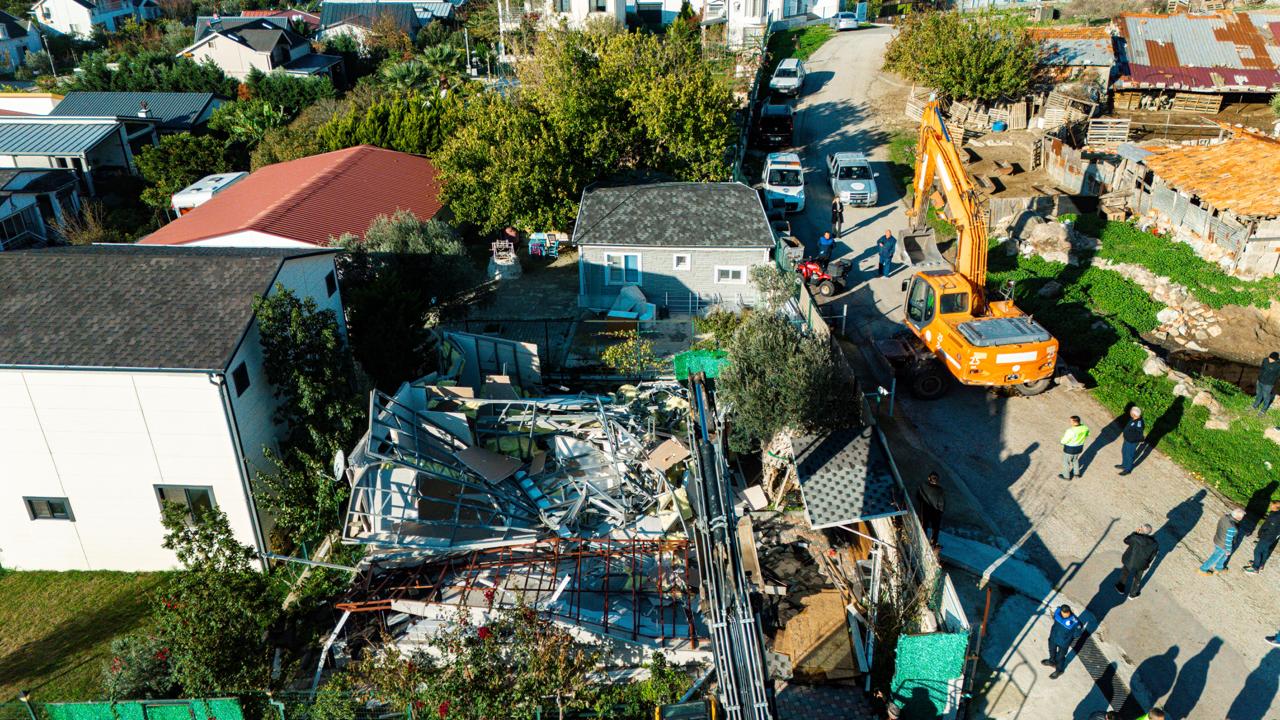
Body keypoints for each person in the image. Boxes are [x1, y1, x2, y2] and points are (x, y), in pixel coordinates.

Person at [1116, 524, 1158, 598]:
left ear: (1141, 530)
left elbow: (1126, 540)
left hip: (1130, 560)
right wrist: (1147, 563)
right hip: (1142, 564)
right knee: (1138, 578)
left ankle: (1120, 587)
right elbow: (1152, 556)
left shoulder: (1135, 537)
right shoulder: (1155, 544)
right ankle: (1133, 594)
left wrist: (1134, 533)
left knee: (1125, 572)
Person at [1042, 604, 1083, 679]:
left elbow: (1077, 633)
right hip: (1053, 637)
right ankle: (1051, 661)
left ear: (1069, 612)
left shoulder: (1075, 622)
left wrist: (1068, 638)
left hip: (1063, 643)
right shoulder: (1057, 612)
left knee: (1060, 657)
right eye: (1063, 612)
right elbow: (1055, 618)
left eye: (1066, 612)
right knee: (1052, 651)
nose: (1065, 614)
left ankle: (1059, 670)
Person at [1200, 507, 1245, 575]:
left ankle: (1219, 568)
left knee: (1224, 556)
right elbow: (1228, 540)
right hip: (1223, 545)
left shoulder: (1225, 517)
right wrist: (1228, 550)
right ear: (1239, 518)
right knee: (1215, 557)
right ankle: (1203, 569)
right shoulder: (1232, 527)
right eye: (1242, 517)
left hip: (1218, 539)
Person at [1245, 500, 1280, 574]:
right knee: (1265, 550)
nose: (1270, 506)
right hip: (1272, 537)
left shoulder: (1275, 517)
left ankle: (1255, 568)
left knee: (1257, 551)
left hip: (1267, 536)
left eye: (1271, 505)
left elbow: (1267, 527)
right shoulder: (1276, 514)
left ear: (1276, 507)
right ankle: (1261, 564)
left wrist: (1260, 534)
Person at [917, 471, 946, 545]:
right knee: (935, 529)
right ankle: (933, 543)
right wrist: (941, 511)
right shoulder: (940, 490)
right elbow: (941, 502)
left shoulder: (922, 486)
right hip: (936, 512)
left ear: (929, 478)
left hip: (925, 509)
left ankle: (923, 542)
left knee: (924, 526)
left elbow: (918, 497)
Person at [1059, 415, 1090, 480]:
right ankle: (1076, 474)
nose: (1070, 422)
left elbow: (1064, 440)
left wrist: (1061, 442)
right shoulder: (1085, 428)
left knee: (1066, 462)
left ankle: (1066, 476)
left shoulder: (1070, 431)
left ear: (1074, 422)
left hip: (1070, 449)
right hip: (1079, 447)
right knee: (1075, 460)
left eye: (1071, 421)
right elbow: (1087, 434)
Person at [1117, 406, 1144, 476]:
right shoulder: (1133, 419)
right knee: (1124, 451)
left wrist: (1133, 439)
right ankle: (1124, 464)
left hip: (1132, 441)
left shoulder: (1139, 423)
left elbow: (1138, 433)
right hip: (1127, 439)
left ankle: (1127, 469)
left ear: (1134, 414)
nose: (1130, 413)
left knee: (1129, 455)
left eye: (1131, 412)